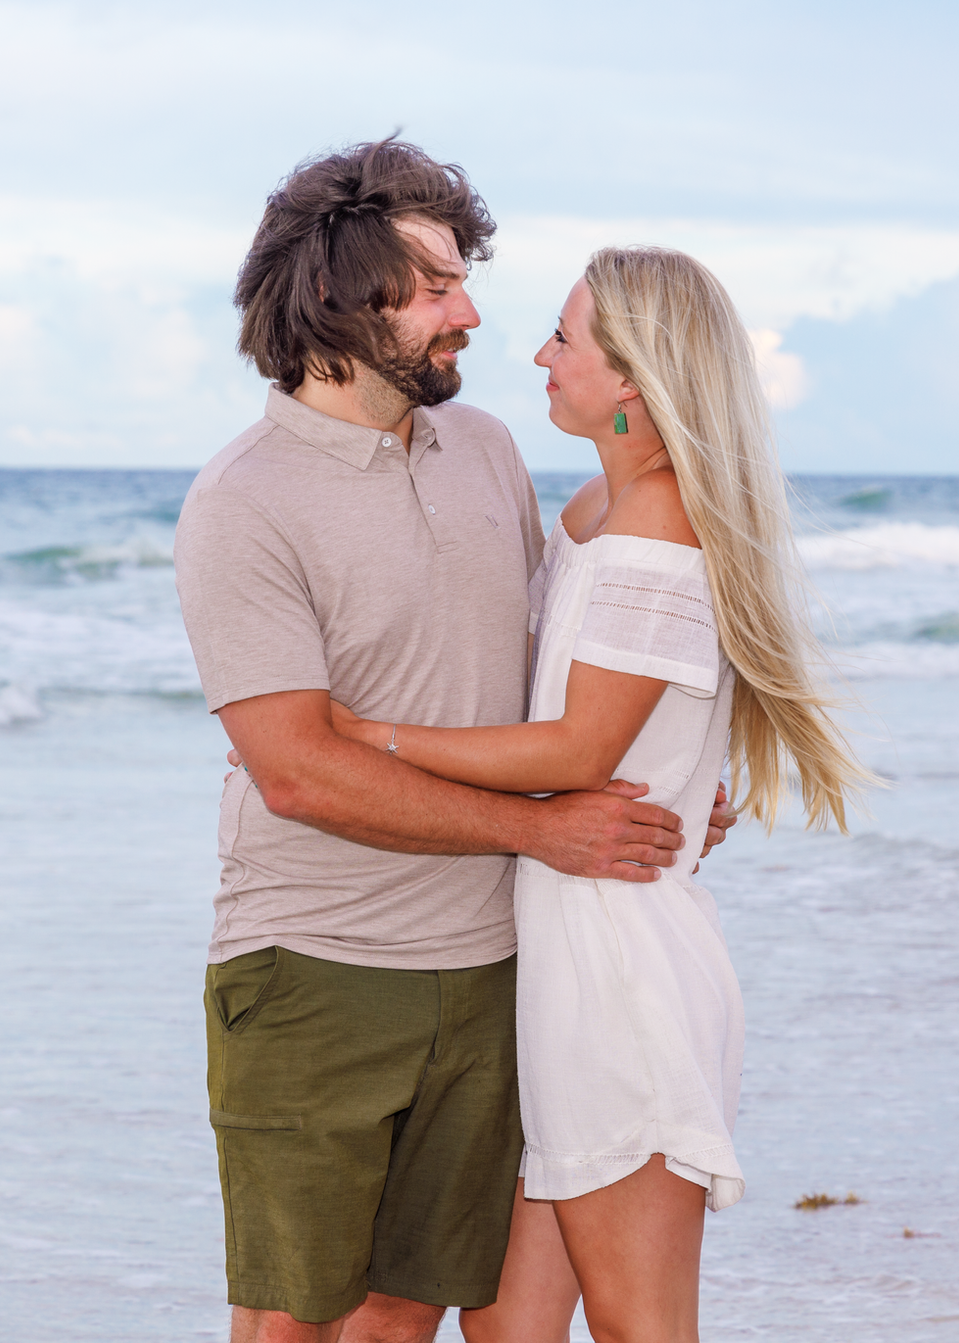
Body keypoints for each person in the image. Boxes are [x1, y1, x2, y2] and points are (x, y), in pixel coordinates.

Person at [174, 140, 733, 1343]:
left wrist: (678, 776)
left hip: (494, 969)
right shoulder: (244, 500)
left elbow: (566, 666)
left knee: (407, 1310)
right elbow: (295, 768)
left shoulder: (481, 449)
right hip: (317, 962)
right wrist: (547, 828)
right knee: (295, 1318)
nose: (469, 313)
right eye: (434, 285)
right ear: (339, 294)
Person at [330, 246, 871, 1343]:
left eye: (564, 337)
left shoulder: (657, 523)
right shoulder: (596, 507)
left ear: (629, 375)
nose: (537, 352)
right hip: (561, 958)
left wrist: (366, 736)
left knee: (639, 1323)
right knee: (507, 1326)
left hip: (619, 972)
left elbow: (578, 745)